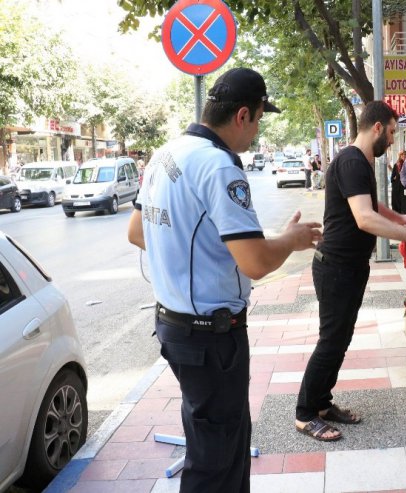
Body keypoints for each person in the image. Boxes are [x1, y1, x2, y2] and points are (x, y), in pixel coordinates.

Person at [127, 67, 322, 493]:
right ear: (242, 116)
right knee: (215, 461)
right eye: (258, 122)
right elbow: (254, 262)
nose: (254, 134)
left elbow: (138, 233)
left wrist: (190, 258)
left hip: (177, 327)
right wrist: (291, 240)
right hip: (210, 338)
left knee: (219, 440)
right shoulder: (219, 166)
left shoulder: (166, 153)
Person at [295, 101, 406, 441]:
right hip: (336, 267)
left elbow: (370, 205)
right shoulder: (351, 160)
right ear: (376, 127)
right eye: (392, 131)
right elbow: (364, 219)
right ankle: (305, 413)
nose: (393, 140)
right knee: (331, 340)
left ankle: (322, 403)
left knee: (340, 339)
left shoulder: (359, 160)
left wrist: (400, 218)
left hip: (348, 267)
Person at [389, 150, 406, 214]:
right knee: (396, 204)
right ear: (400, 156)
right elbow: (392, 177)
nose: (404, 156)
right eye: (402, 155)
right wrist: (395, 178)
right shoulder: (396, 165)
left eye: (405, 154)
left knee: (404, 205)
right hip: (397, 187)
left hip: (404, 187)